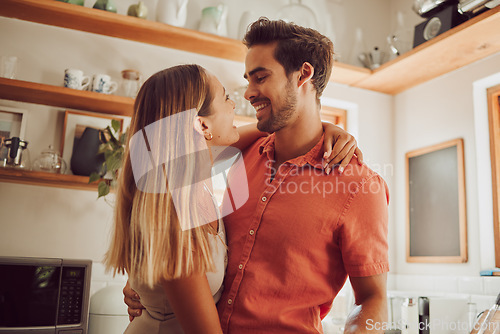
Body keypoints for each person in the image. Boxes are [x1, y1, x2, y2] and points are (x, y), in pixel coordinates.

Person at [106, 63, 362, 333]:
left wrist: (324, 130)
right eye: (226, 98)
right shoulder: (175, 216)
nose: (234, 106)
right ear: (203, 125)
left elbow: (269, 128)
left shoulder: (187, 180)